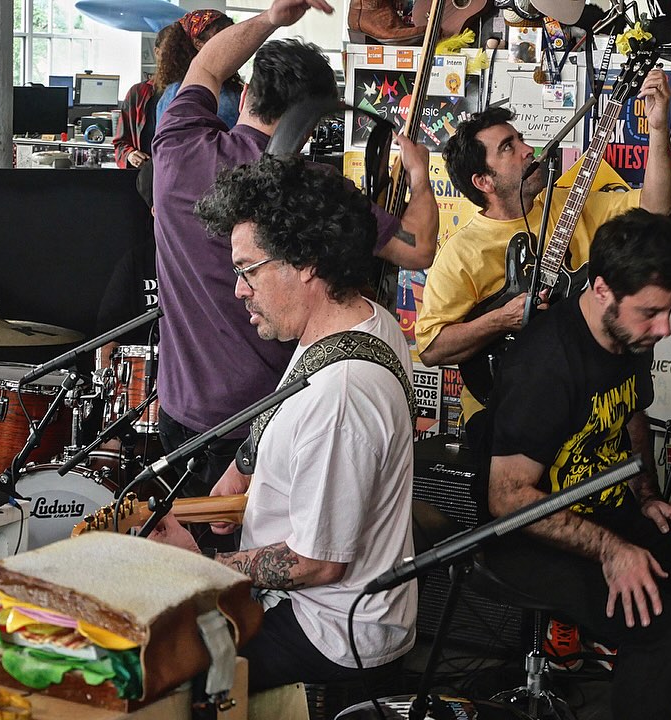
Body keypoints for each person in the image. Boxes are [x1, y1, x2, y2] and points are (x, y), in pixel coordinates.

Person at [149, 154, 417, 693]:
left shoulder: (342, 397)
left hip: (331, 630)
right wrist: (243, 469)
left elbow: (317, 563)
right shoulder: (360, 323)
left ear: (306, 263)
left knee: (156, 666)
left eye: (249, 270)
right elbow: (281, 425)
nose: (238, 289)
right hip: (314, 601)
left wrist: (204, 565)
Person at [151, 0, 436, 505]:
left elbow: (206, 65)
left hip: (178, 412)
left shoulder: (177, 149)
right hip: (261, 423)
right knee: (261, 561)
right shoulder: (309, 189)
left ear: (247, 100)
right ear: (309, 124)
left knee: (194, 562)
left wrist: (271, 19)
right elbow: (418, 249)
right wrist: (418, 175)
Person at [483, 209, 671, 720]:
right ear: (600, 290)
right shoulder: (545, 364)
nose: (664, 328)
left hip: (607, 510)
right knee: (659, 630)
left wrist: (648, 498)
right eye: (651, 313)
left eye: (670, 311)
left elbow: (632, 414)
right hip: (532, 535)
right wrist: (615, 551)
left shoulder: (628, 335)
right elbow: (508, 499)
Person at [415, 69, 671, 435]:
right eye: (509, 147)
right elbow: (431, 349)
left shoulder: (570, 202)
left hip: (582, 393)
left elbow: (655, 212)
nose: (528, 150)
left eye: (520, 139)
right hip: (501, 404)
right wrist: (501, 319)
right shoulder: (462, 253)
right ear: (483, 181)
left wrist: (659, 130)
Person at [154, 10, 243, 129]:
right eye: (221, 35)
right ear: (198, 44)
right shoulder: (180, 92)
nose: (231, 42)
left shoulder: (230, 88)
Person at [112, 30, 164, 169]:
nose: (175, 59)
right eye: (168, 52)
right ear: (157, 52)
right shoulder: (138, 94)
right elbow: (120, 143)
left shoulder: (190, 93)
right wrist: (130, 154)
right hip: (143, 177)